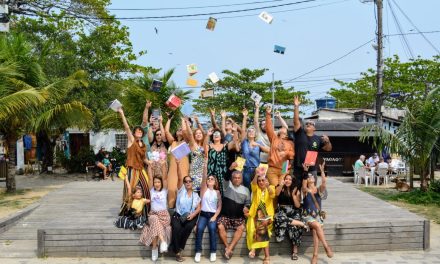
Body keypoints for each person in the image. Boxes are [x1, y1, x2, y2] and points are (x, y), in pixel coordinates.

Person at [116, 107, 150, 225]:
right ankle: (129, 213)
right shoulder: (131, 140)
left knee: (146, 188)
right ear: (134, 133)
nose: (139, 132)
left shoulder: (143, 145)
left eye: (141, 131)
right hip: (131, 169)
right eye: (137, 131)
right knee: (130, 191)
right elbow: (126, 127)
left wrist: (152, 162)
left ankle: (144, 212)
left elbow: (144, 159)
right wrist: (122, 113)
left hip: (141, 169)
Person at [293, 96, 332, 187]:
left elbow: (328, 149)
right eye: (307, 123)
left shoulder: (318, 139)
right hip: (299, 168)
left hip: (311, 169)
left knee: (311, 191)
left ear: (314, 128)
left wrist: (328, 141)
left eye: (311, 124)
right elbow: (296, 121)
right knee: (297, 191)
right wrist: (296, 107)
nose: (308, 124)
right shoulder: (299, 133)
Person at [170, 161, 201, 262]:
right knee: (176, 228)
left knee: (188, 227)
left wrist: (193, 215)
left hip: (190, 216)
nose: (188, 183)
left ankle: (175, 247)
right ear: (183, 183)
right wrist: (178, 165)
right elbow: (179, 178)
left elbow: (199, 208)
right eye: (186, 181)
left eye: (190, 181)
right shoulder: (181, 191)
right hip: (178, 215)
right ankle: (178, 252)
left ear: (192, 183)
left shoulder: (196, 195)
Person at [302, 162, 333, 264]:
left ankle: (315, 255)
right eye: (309, 177)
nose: (311, 177)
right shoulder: (305, 190)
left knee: (316, 231)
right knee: (317, 226)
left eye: (312, 176)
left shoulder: (318, 190)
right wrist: (305, 172)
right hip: (308, 216)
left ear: (314, 179)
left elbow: (324, 182)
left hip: (318, 216)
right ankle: (326, 246)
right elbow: (303, 185)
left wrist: (322, 171)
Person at [217, 169, 251, 260]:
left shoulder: (246, 190)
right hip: (226, 216)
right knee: (220, 226)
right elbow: (225, 177)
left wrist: (246, 207)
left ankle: (229, 248)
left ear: (242, 179)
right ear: (232, 179)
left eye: (239, 178)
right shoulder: (227, 186)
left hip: (238, 217)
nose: (237, 179)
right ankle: (228, 247)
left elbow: (248, 203)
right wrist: (230, 169)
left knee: (241, 228)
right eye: (235, 178)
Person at [274, 174, 308, 261]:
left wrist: (293, 195)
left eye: (290, 179)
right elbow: (276, 194)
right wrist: (281, 184)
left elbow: (297, 205)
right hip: (282, 210)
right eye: (286, 179)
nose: (288, 181)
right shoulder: (280, 187)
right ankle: (301, 223)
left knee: (295, 227)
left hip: (293, 211)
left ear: (293, 182)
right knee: (279, 218)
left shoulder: (296, 190)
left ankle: (295, 252)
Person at [247, 168, 276, 264]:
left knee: (262, 227)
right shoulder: (256, 189)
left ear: (267, 181)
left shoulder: (271, 187)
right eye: (259, 181)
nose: (261, 182)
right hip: (255, 215)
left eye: (263, 180)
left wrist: (267, 187)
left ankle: (254, 249)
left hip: (267, 216)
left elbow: (272, 195)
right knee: (252, 229)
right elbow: (253, 183)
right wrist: (257, 174)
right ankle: (266, 257)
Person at [194, 162, 222, 263]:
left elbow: (219, 206)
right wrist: (205, 166)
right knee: (200, 229)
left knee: (212, 228)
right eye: (208, 179)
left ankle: (213, 252)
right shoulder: (203, 190)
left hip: (212, 215)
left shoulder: (217, 192)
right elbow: (204, 177)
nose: (209, 180)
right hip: (203, 214)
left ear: (215, 182)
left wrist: (215, 216)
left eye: (212, 179)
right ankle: (198, 251)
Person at [139, 176, 171, 261]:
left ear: (161, 183)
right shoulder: (151, 191)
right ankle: (163, 242)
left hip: (164, 216)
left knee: (155, 226)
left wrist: (164, 164)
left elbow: (165, 178)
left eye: (158, 182)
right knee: (155, 219)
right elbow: (149, 178)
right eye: (155, 182)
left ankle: (154, 248)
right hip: (153, 214)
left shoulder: (164, 191)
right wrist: (149, 165)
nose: (157, 184)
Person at [265, 105, 295, 187]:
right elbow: (268, 128)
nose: (282, 127)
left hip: (285, 168)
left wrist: (286, 153)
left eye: (284, 127)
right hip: (273, 168)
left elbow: (292, 155)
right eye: (281, 127)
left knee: (282, 189)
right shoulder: (274, 138)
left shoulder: (290, 142)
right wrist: (268, 114)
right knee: (275, 188)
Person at [240, 108, 270, 189]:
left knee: (256, 188)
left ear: (255, 134)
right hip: (246, 169)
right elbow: (243, 130)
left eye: (253, 131)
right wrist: (245, 117)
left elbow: (268, 151)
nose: (251, 132)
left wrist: (259, 145)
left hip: (256, 169)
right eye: (249, 131)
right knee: (247, 188)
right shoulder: (244, 142)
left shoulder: (258, 142)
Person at [206, 126, 239, 197]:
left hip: (223, 173)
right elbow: (204, 146)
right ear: (212, 137)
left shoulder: (225, 146)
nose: (216, 135)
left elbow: (234, 141)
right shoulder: (209, 146)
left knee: (224, 191)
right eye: (214, 134)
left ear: (221, 137)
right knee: (211, 191)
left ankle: (222, 207)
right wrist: (207, 135)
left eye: (218, 134)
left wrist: (235, 131)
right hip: (211, 173)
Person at [165, 115, 190, 208]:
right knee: (171, 189)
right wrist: (169, 120)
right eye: (178, 129)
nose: (180, 130)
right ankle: (171, 210)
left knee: (183, 189)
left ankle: (183, 211)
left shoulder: (186, 141)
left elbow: (184, 131)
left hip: (183, 169)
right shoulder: (173, 142)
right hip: (172, 171)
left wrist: (183, 120)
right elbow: (166, 131)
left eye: (181, 128)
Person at [182, 117, 208, 193]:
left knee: (203, 196)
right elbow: (189, 133)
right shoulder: (193, 145)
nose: (198, 135)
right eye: (196, 134)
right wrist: (186, 122)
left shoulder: (205, 145)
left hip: (203, 173)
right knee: (193, 195)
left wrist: (198, 121)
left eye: (200, 133)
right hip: (194, 173)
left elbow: (206, 153)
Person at [146, 116, 168, 182]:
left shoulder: (165, 144)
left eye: (160, 134)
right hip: (152, 171)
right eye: (157, 135)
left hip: (163, 171)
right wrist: (150, 124)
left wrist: (160, 122)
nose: (159, 136)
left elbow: (164, 135)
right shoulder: (152, 143)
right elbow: (150, 136)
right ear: (155, 136)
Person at [254, 100, 271, 164]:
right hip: (261, 161)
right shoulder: (259, 133)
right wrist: (257, 108)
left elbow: (285, 128)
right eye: (262, 124)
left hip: (271, 159)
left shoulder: (273, 133)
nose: (264, 125)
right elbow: (256, 121)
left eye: (266, 124)